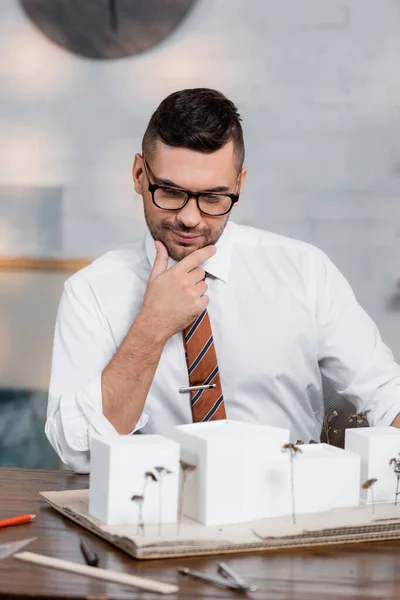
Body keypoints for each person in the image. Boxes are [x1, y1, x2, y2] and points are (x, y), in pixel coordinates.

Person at [46, 88, 400, 473]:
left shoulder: (306, 273)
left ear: (239, 185)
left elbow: (386, 395)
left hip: (290, 509)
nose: (190, 218)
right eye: (170, 192)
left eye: (213, 198)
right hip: (158, 516)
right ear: (138, 175)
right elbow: (77, 452)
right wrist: (151, 327)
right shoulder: (92, 292)